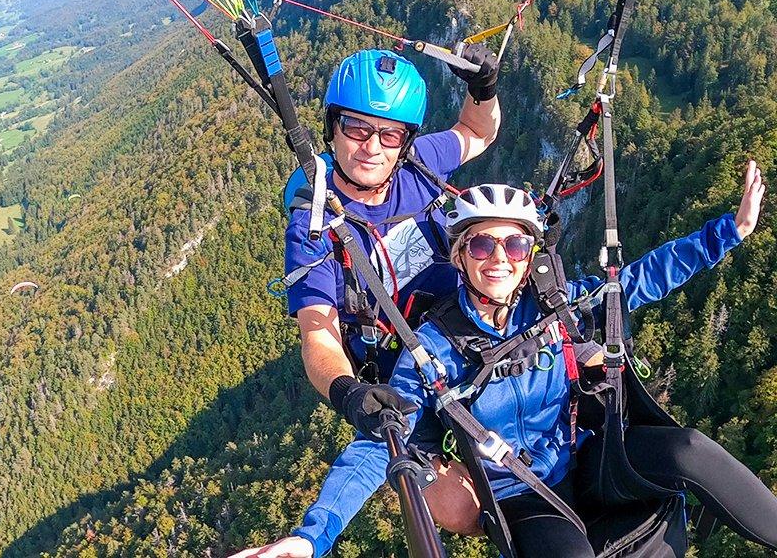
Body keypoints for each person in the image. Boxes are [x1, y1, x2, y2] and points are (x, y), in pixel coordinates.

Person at [235, 163, 776, 558]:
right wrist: (313, 536)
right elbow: (381, 444)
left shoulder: (554, 304)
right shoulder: (434, 349)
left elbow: (639, 279)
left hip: (586, 456)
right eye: (481, 246)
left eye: (515, 247)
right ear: (458, 256)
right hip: (520, 497)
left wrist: (730, 231)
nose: (499, 259)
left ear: (530, 257)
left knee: (689, 448)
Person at [283, 45, 500, 533]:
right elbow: (319, 334)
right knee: (461, 512)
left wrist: (483, 88)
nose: (371, 147)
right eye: (356, 129)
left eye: (388, 134)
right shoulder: (314, 222)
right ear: (332, 128)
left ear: (405, 141)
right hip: (400, 369)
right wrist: (347, 392)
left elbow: (476, 132)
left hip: (467, 327)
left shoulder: (417, 166)